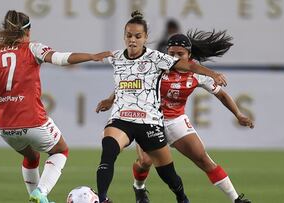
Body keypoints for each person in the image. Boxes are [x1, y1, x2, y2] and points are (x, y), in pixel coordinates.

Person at [0, 10, 112, 203]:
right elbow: (60, 58)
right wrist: (92, 56)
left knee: (32, 158)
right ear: (28, 31)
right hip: (33, 120)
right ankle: (40, 192)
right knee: (61, 150)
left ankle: (37, 199)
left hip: (5, 127)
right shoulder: (33, 48)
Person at [96, 30, 254, 203]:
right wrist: (111, 100)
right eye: (172, 54)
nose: (176, 57)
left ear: (189, 54)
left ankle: (236, 199)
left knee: (203, 159)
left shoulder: (197, 73)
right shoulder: (156, 65)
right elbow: (130, 85)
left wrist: (238, 114)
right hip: (148, 120)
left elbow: (222, 95)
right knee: (145, 161)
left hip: (176, 120)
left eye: (181, 54)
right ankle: (139, 188)